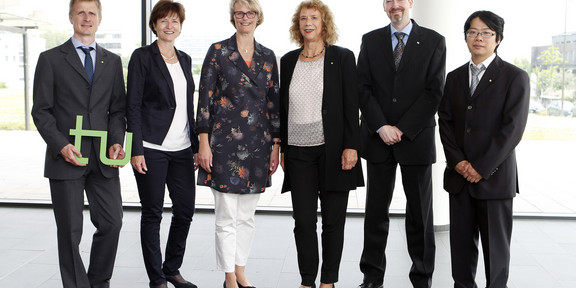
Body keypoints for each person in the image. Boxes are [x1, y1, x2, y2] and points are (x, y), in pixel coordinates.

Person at [31, 0, 125, 287]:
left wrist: (116, 142)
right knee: (70, 232)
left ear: (100, 19)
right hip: (66, 158)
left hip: (102, 160)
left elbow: (118, 111)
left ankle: (98, 282)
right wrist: (61, 145)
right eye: (81, 12)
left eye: (92, 13)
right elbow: (41, 111)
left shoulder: (113, 61)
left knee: (112, 222)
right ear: (71, 17)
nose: (87, 18)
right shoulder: (50, 59)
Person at [357, 0, 446, 287]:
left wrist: (403, 129)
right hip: (379, 139)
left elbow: (434, 92)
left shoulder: (434, 41)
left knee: (420, 215)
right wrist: (382, 126)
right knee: (375, 213)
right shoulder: (370, 41)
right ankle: (372, 276)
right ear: (384, 6)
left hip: (416, 140)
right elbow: (363, 89)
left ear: (410, 2)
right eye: (388, 0)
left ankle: (422, 277)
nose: (394, 5)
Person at [438, 10, 530, 288]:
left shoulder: (515, 77)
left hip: (494, 178)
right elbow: (445, 123)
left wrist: (480, 167)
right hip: (459, 178)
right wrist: (458, 163)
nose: (478, 38)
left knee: (496, 253)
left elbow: (512, 130)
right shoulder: (453, 78)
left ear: (498, 39)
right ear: (465, 37)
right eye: (472, 32)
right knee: (461, 251)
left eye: (486, 33)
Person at [278, 1, 364, 288]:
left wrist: (352, 145)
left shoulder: (342, 57)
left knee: (332, 221)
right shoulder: (288, 60)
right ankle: (307, 280)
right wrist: (281, 148)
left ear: (324, 23)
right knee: (303, 220)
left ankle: (328, 281)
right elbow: (282, 106)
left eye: (314, 17)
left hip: (334, 149)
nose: (308, 22)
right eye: (303, 18)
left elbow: (352, 106)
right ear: (297, 25)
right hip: (299, 151)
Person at [195, 1, 280, 287]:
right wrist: (202, 143)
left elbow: (273, 103)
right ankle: (229, 276)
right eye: (239, 13)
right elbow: (204, 99)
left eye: (250, 12)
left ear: (259, 17)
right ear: (233, 18)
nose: (245, 17)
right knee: (226, 215)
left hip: (259, 144)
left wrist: (276, 145)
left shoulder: (268, 56)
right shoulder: (218, 51)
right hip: (222, 144)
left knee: (246, 217)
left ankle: (240, 269)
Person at [126, 1, 199, 288]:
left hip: (182, 149)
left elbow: (186, 107)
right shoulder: (142, 57)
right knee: (152, 213)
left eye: (175, 21)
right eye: (164, 20)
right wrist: (136, 149)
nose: (169, 26)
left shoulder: (186, 59)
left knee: (185, 210)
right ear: (154, 25)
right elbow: (132, 105)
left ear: (180, 26)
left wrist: (194, 145)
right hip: (151, 147)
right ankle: (156, 279)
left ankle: (171, 268)